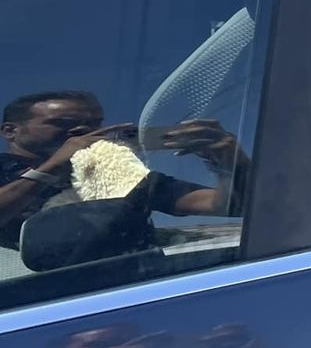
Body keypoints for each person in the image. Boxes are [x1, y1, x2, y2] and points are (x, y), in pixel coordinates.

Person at [0, 91, 248, 252]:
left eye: (94, 124)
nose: (81, 131)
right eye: (63, 124)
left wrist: (227, 159)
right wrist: (53, 167)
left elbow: (230, 206)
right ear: (10, 131)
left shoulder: (116, 174)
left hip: (135, 286)